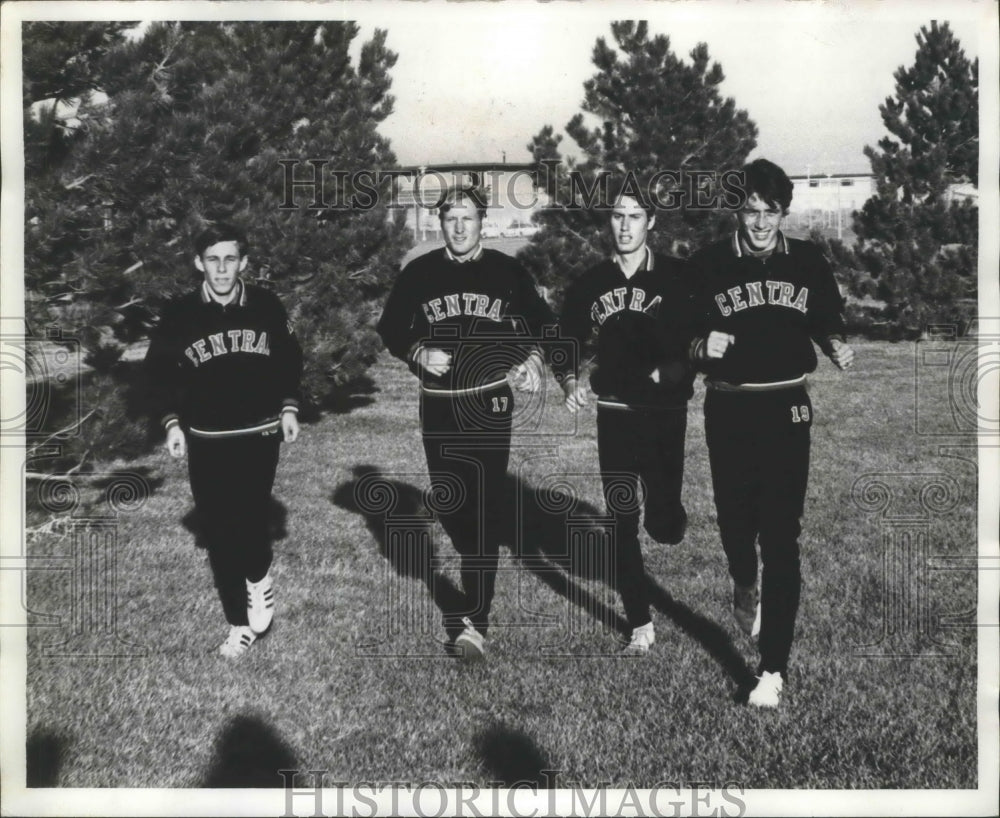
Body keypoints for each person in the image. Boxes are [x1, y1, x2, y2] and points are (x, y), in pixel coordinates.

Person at [376, 184, 569, 660]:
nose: (459, 227)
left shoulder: (506, 271)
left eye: (467, 218)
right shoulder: (420, 273)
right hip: (439, 404)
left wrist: (541, 363)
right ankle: (475, 558)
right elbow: (390, 327)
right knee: (449, 503)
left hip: (488, 404)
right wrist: (416, 350)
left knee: (481, 506)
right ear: (441, 223)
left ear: (483, 220)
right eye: (450, 219)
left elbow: (541, 322)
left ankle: (474, 623)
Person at [689, 158, 854, 707]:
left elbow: (825, 316)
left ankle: (772, 670)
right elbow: (678, 333)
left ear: (784, 212)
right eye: (751, 210)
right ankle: (742, 582)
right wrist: (698, 347)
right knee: (737, 528)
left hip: (787, 407)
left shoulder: (806, 259)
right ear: (738, 209)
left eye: (771, 212)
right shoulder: (709, 264)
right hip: (729, 410)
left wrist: (834, 344)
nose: (760, 223)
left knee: (781, 537)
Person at [145, 222, 303, 658]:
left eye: (230, 259)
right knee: (217, 530)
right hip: (206, 436)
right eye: (212, 259)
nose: (221, 268)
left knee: (249, 518)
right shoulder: (180, 314)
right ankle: (239, 624)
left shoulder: (266, 305)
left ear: (244, 263)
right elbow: (158, 373)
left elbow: (291, 360)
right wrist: (172, 422)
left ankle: (259, 578)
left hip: (258, 432)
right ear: (199, 264)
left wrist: (289, 406)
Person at [559, 182, 696, 655]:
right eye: (618, 215)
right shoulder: (590, 284)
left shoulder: (677, 277)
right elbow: (567, 343)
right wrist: (571, 383)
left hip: (664, 413)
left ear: (651, 223)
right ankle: (640, 623)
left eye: (634, 216)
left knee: (663, 524)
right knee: (621, 518)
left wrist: (676, 369)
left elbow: (698, 342)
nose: (624, 225)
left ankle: (670, 517)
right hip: (614, 413)